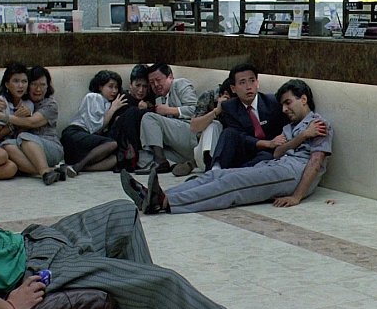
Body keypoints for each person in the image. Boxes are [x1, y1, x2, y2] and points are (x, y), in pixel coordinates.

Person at [0, 109, 232, 309]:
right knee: (164, 281)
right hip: (36, 267)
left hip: (34, 243)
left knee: (123, 213)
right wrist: (10, 308)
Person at [121, 79, 332, 214]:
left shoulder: (319, 124)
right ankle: (155, 194)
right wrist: (302, 136)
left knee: (233, 183)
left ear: (303, 99)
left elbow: (315, 162)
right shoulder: (294, 127)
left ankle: (167, 202)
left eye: (288, 103)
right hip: (277, 164)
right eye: (283, 104)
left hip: (294, 173)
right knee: (217, 174)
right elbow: (277, 152)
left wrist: (297, 196)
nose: (284, 109)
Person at [0, 66, 64, 186]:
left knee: (24, 136)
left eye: (43, 85)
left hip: (51, 148)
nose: (38, 89)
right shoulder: (22, 102)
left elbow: (31, 122)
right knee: (6, 145)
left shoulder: (50, 104)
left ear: (48, 87)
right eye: (34, 84)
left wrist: (2, 117)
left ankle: (45, 171)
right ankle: (51, 171)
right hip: (25, 148)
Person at [211, 63, 287, 170]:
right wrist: (266, 143)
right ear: (233, 88)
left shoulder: (273, 102)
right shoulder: (229, 107)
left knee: (267, 157)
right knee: (228, 133)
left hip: (268, 153)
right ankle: (215, 170)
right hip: (244, 150)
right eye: (242, 82)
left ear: (257, 83)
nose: (248, 87)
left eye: (252, 81)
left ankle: (234, 174)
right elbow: (240, 136)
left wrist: (275, 142)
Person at [60, 70, 126, 176]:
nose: (114, 91)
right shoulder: (93, 97)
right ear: (100, 87)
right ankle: (78, 167)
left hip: (87, 145)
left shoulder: (109, 103)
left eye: (116, 87)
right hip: (74, 134)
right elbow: (95, 128)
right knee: (112, 144)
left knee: (115, 159)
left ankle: (77, 168)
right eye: (110, 86)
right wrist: (113, 109)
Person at [136, 63, 198, 174]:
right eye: (151, 82)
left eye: (158, 80)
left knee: (149, 117)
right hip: (177, 149)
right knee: (143, 157)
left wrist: (169, 110)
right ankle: (174, 165)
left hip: (190, 134)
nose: (155, 85)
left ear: (170, 77)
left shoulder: (180, 84)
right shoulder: (159, 98)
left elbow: (196, 110)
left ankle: (160, 162)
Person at [108, 64, 156, 172]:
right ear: (130, 85)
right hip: (118, 139)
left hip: (141, 140)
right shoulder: (123, 98)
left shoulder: (150, 100)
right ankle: (129, 155)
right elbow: (117, 122)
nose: (141, 90)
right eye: (137, 85)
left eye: (145, 86)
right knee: (133, 112)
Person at [185, 76, 235, 174]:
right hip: (204, 152)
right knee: (213, 125)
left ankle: (196, 164)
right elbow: (194, 127)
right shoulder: (209, 96)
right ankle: (210, 164)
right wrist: (216, 111)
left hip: (230, 153)